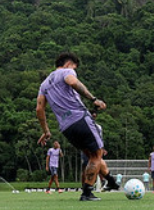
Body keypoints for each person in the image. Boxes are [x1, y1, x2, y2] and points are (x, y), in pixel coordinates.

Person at [37, 51, 121, 202]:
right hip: (80, 118)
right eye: (75, 67)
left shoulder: (44, 85)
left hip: (66, 128)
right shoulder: (66, 72)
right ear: (69, 63)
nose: (74, 70)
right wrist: (94, 99)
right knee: (97, 154)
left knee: (91, 155)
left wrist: (46, 131)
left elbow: (39, 109)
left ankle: (111, 180)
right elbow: (73, 82)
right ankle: (87, 193)